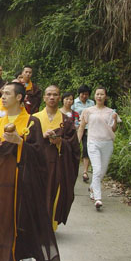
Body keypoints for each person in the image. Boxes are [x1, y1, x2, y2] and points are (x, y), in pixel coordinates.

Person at [0, 82, 59, 261]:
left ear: (19, 97)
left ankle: (20, 254)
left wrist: (20, 143)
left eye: (7, 94)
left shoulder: (31, 122)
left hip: (19, 180)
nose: (3, 97)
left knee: (17, 220)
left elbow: (40, 154)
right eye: (3, 94)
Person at [34, 86, 80, 229]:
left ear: (59, 98)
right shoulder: (35, 118)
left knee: (54, 192)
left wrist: (61, 142)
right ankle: (36, 224)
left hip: (57, 162)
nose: (52, 97)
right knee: (37, 192)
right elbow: (27, 141)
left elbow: (74, 147)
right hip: (37, 163)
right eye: (49, 94)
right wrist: (41, 137)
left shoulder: (66, 121)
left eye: (55, 95)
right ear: (44, 98)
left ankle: (49, 225)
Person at [77, 87, 120, 210]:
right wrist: (77, 142)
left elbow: (113, 129)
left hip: (107, 142)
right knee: (97, 168)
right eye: (97, 94)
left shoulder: (111, 112)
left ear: (105, 97)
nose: (99, 96)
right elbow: (81, 127)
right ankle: (97, 198)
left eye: (102, 94)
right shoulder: (87, 111)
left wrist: (115, 120)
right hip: (93, 142)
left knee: (103, 170)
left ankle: (92, 188)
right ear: (94, 96)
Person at [72, 85, 95, 182]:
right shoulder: (74, 102)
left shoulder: (92, 103)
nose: (84, 96)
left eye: (86, 94)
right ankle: (72, 168)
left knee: (86, 149)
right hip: (76, 128)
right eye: (82, 94)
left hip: (89, 129)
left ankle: (85, 172)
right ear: (79, 94)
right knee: (74, 148)